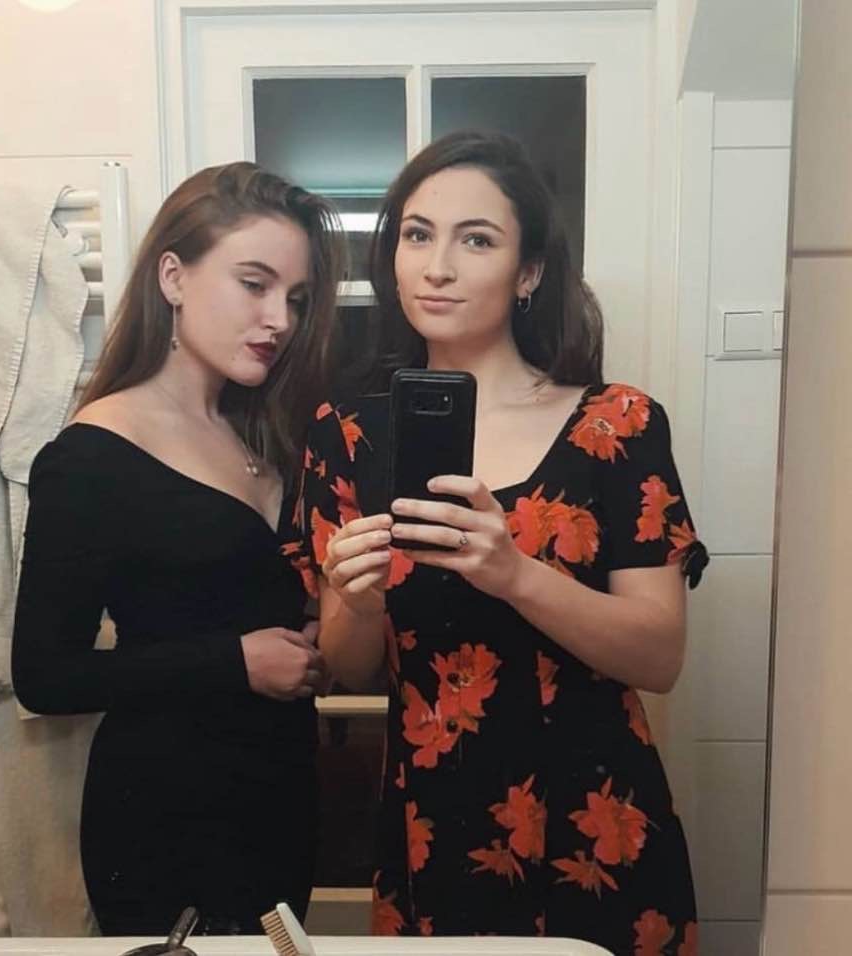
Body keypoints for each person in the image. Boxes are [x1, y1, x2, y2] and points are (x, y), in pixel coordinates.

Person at [289, 131, 707, 953]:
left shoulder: (617, 425)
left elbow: (660, 657)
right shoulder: (344, 435)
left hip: (596, 823)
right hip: (431, 828)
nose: (437, 266)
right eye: (417, 234)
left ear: (529, 272)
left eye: (476, 240)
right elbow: (351, 667)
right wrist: (358, 601)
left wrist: (515, 573)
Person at [12, 162, 344, 936]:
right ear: (174, 277)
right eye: (254, 284)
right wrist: (235, 661)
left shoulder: (266, 434)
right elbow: (43, 676)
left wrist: (314, 642)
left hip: (278, 799)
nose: (280, 319)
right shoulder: (93, 455)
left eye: (296, 299)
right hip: (164, 814)